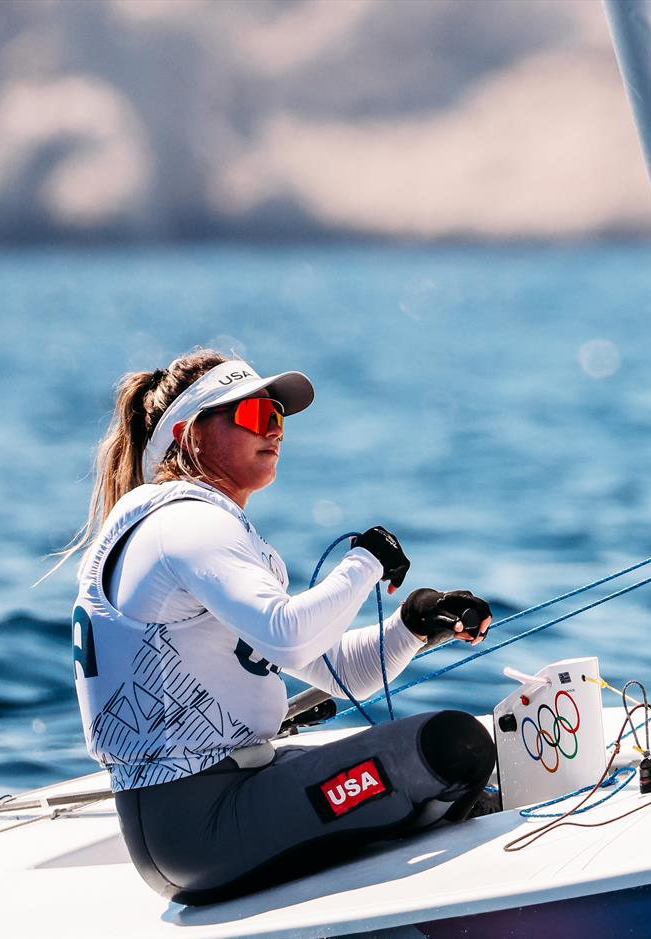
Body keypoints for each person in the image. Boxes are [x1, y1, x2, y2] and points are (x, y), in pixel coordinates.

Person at [72, 347, 495, 905]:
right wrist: (365, 561)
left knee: (451, 762)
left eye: (276, 417)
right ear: (188, 434)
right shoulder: (186, 525)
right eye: (252, 416)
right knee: (451, 747)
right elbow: (289, 633)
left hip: (217, 808)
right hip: (200, 828)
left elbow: (337, 670)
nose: (273, 430)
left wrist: (412, 627)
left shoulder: (189, 528)